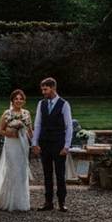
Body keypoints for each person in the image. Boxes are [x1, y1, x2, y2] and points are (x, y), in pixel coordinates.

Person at [31, 77, 73, 212]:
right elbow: (37, 124)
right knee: (47, 174)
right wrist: (35, 143)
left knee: (60, 174)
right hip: (45, 143)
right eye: (42, 89)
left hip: (59, 144)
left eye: (45, 89)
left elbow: (69, 126)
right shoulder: (41, 104)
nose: (43, 92)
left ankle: (62, 202)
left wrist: (66, 146)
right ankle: (48, 202)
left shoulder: (64, 104)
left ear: (53, 88)